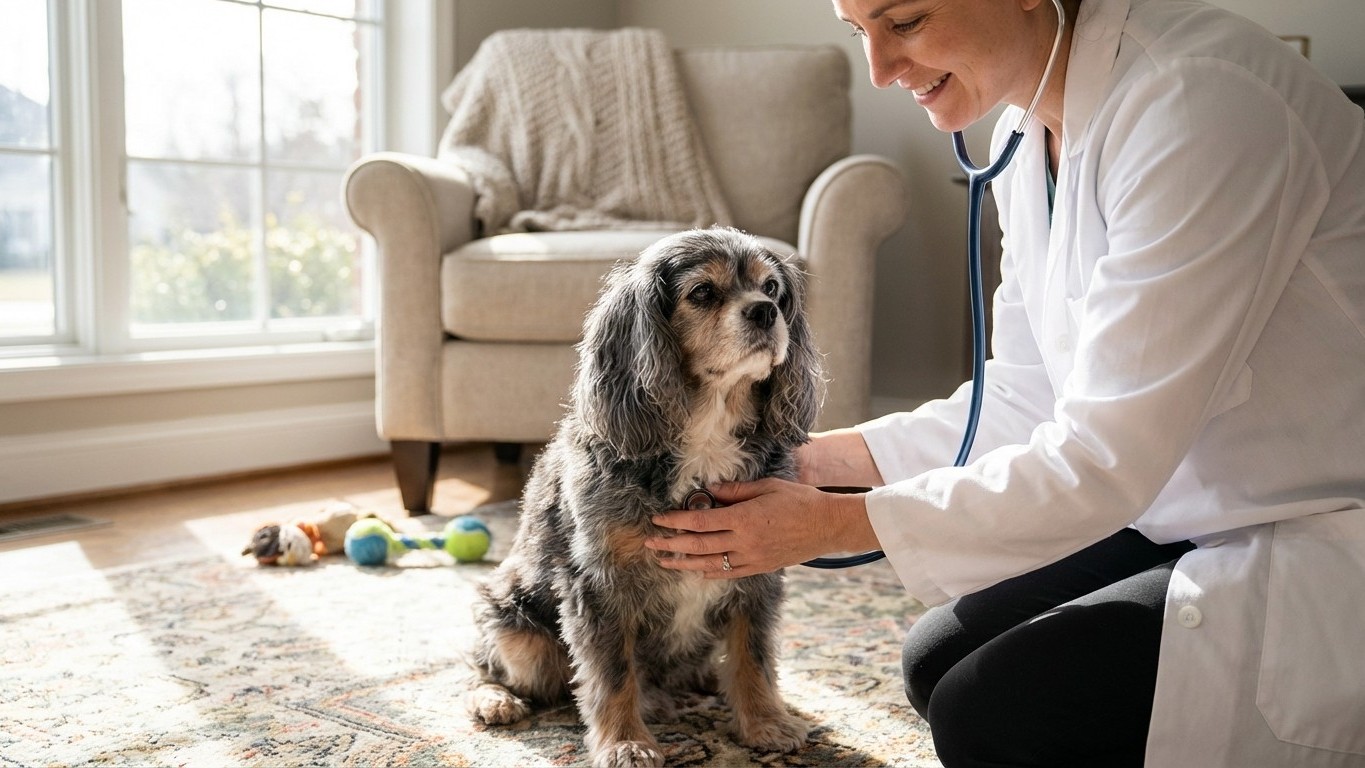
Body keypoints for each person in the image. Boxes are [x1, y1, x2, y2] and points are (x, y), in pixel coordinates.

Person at [644, 0, 1365, 765]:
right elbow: (1027, 395)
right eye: (859, 33)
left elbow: (1102, 458)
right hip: (1182, 503)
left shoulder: (1197, 103)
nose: (879, 71)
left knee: (987, 714)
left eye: (905, 21)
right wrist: (808, 460)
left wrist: (832, 524)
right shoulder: (1023, 134)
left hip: (1313, 523)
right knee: (935, 660)